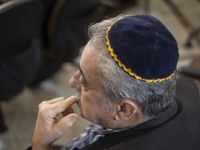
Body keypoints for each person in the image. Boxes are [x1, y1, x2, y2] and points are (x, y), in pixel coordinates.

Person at [31, 15, 200, 150]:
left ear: (123, 109)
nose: (72, 82)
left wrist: (41, 144)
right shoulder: (187, 88)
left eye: (85, 82)